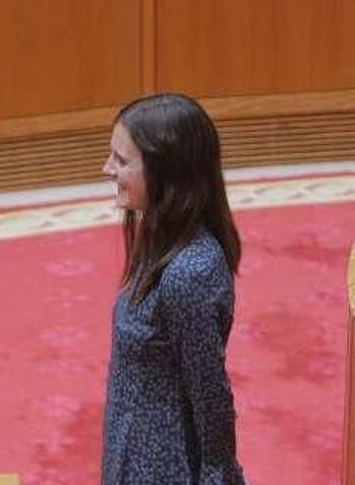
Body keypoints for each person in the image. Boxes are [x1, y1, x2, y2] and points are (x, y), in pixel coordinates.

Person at [100, 93, 247, 484]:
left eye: (122, 160)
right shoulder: (160, 234)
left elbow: (211, 400)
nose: (107, 169)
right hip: (134, 453)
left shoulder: (189, 274)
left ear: (165, 174)